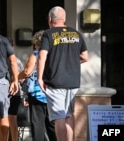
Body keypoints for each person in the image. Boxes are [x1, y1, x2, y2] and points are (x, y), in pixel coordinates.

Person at [37, 6, 89, 141]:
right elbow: (85, 57)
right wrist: (71, 62)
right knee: (68, 115)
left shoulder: (48, 34)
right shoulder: (76, 34)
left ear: (50, 19)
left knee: (59, 117)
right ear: (64, 19)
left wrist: (39, 78)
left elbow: (42, 56)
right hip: (73, 82)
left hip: (56, 81)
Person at [18, 30, 56, 141]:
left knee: (37, 124)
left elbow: (27, 72)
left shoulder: (36, 54)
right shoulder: (53, 55)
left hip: (37, 94)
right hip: (51, 93)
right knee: (52, 125)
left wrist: (16, 78)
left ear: (36, 43)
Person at [6, 37, 24, 141]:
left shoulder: (0, 60)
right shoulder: (17, 61)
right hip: (16, 92)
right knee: (13, 120)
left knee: (3, 119)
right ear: (13, 46)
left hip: (3, 92)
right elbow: (22, 79)